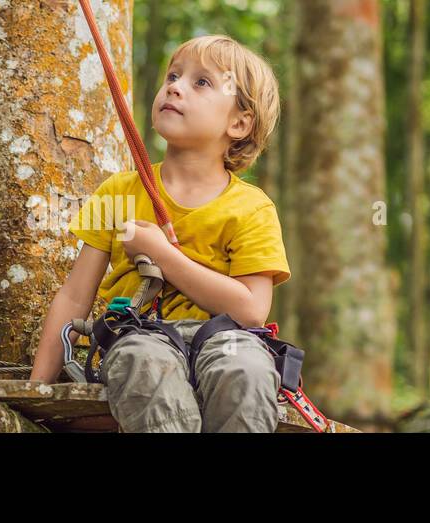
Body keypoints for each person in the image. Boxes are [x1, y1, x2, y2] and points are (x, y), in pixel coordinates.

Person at [29, 35, 290, 433]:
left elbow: (251, 310)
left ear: (238, 123)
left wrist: (161, 255)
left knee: (249, 370)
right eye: (173, 75)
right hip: (141, 333)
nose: (174, 86)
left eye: (201, 82)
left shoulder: (252, 209)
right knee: (142, 362)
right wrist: (37, 390)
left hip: (225, 340)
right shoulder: (119, 192)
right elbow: (74, 296)